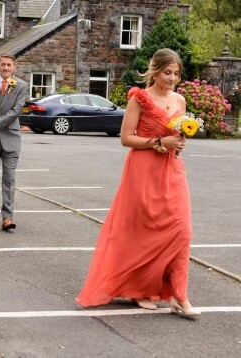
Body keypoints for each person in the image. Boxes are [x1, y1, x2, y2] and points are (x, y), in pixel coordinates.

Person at [76, 48, 200, 317]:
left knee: (182, 230)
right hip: (143, 170)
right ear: (155, 70)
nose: (172, 78)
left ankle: (179, 294)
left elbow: (176, 134)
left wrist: (178, 143)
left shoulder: (180, 100)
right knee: (143, 232)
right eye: (167, 72)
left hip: (172, 169)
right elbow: (126, 139)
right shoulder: (139, 99)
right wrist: (158, 142)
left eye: (176, 73)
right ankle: (140, 289)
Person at [0, 54, 28, 230]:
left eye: (9, 65)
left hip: (11, 138)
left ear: (15, 66)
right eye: (3, 65)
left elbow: (16, 112)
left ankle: (8, 217)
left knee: (9, 178)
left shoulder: (21, 85)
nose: (6, 68)